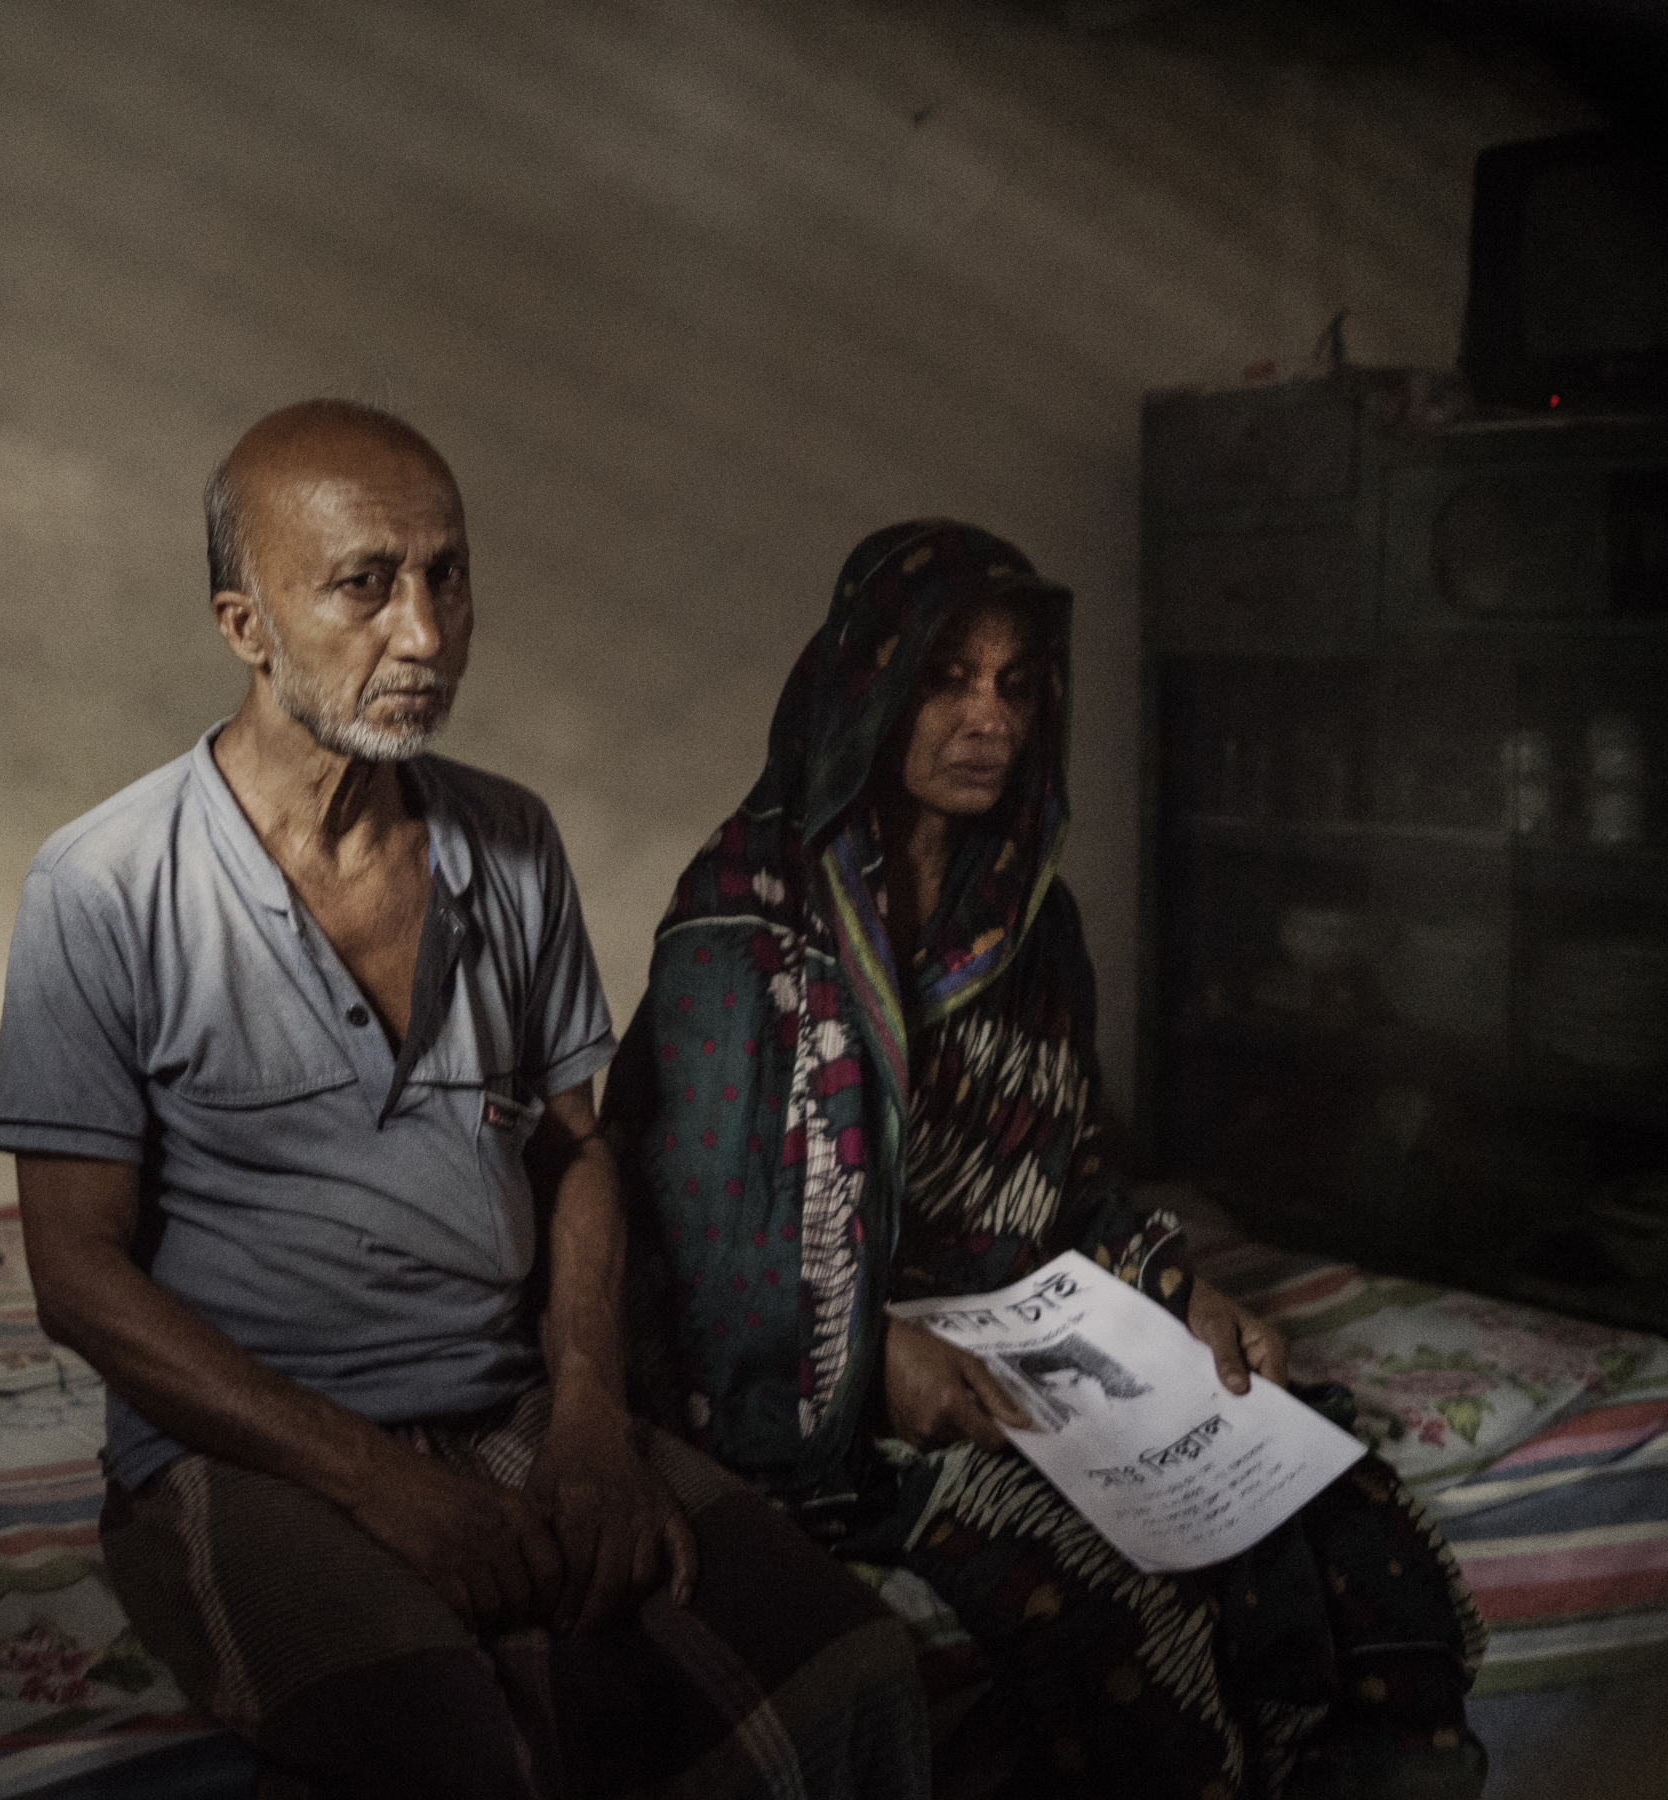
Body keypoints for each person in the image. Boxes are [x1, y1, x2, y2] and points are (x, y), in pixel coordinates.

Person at [0, 402, 925, 1800]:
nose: (425, 635)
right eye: (366, 584)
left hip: (508, 1396)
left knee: (863, 1678)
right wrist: (377, 1483)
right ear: (245, 624)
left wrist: (595, 1419)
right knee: (461, 1754)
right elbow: (75, 1274)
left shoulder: (512, 843)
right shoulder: (104, 885)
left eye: (449, 576)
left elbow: (577, 1152)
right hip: (246, 1447)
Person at [602, 520, 1489, 1800]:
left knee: (1327, 1502)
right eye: (948, 678)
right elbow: (709, 1254)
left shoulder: (1030, 918)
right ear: (867, 686)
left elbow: (1064, 1186)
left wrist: (1185, 1293)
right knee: (1108, 1587)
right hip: (803, 1360)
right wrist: (878, 1360)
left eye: (1017, 684)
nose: (990, 720)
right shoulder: (743, 929)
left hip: (1014, 1314)